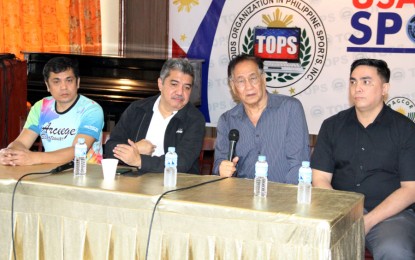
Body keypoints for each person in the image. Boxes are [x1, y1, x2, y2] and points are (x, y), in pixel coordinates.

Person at [311, 58, 415, 259]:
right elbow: (320, 179)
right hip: (339, 213)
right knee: (307, 242)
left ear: (385, 88)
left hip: (391, 216)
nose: (357, 88)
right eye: (353, 82)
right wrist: (346, 215)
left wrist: (366, 221)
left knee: (395, 250)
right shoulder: (332, 126)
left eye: (366, 82)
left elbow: (411, 189)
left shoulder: (406, 130)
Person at [213, 54, 310, 184]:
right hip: (241, 197)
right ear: (233, 86)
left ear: (263, 79)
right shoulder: (227, 120)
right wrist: (222, 168)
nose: (249, 86)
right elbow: (219, 163)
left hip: (283, 197)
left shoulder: (290, 108)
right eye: (241, 81)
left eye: (253, 78)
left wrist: (287, 198)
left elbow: (297, 164)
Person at [105, 58, 205, 174]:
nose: (180, 92)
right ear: (160, 84)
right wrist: (135, 148)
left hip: (176, 185)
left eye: (187, 87)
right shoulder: (138, 109)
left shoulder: (195, 119)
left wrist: (139, 160)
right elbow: (110, 148)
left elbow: (181, 163)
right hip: (135, 183)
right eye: (174, 84)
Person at [0, 57, 104, 165]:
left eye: (69, 80)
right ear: (47, 85)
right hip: (49, 172)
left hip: (85, 173)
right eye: (56, 81)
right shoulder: (41, 107)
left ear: (77, 82)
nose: (64, 87)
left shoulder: (92, 109)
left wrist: (33, 158)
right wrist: (9, 153)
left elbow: (77, 151)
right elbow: (21, 142)